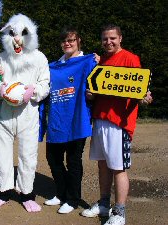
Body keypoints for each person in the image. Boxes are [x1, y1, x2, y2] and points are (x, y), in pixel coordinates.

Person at [81, 25, 153, 225]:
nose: (108, 42)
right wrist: (91, 95)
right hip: (100, 120)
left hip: (119, 123)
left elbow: (139, 89)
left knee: (118, 168)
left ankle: (119, 212)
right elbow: (95, 89)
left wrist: (143, 98)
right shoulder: (101, 61)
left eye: (112, 38)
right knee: (103, 165)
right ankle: (104, 204)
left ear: (120, 38)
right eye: (105, 39)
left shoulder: (130, 59)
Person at [0, 14, 50, 212]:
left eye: (22, 34)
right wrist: (0, 90)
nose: (17, 39)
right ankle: (3, 191)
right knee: (2, 153)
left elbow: (45, 83)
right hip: (4, 114)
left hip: (28, 113)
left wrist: (34, 91)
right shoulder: (1, 58)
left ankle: (26, 193)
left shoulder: (39, 57)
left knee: (28, 154)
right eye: (12, 34)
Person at [39, 27, 98, 214]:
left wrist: (100, 60)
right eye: (64, 41)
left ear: (78, 41)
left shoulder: (88, 62)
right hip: (57, 121)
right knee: (52, 158)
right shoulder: (53, 66)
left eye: (71, 40)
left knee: (73, 161)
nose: (68, 43)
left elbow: (105, 76)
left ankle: (72, 199)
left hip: (77, 120)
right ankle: (61, 192)